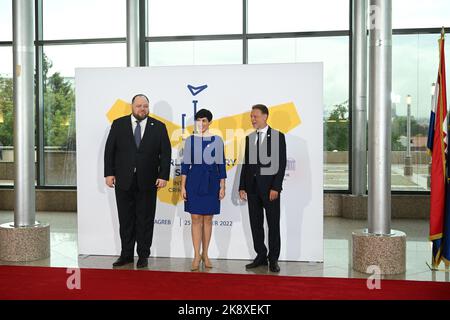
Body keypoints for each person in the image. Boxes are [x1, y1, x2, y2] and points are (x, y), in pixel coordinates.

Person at [104, 94, 171, 269]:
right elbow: (109, 150)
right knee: (125, 220)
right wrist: (109, 173)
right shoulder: (119, 124)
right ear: (132, 107)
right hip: (123, 180)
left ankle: (143, 255)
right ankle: (126, 254)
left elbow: (165, 154)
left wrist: (163, 175)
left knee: (145, 219)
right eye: (139, 106)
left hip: (148, 181)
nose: (143, 109)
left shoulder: (159, 127)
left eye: (146, 106)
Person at [239, 104, 287, 273]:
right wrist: (242, 186)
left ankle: (273, 259)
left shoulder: (277, 136)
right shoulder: (249, 138)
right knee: (256, 224)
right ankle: (260, 255)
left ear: (265, 116)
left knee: (273, 225)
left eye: (255, 116)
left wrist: (276, 187)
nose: (252, 119)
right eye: (251, 116)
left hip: (270, 190)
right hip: (252, 190)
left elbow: (281, 165)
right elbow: (246, 164)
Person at [181, 109, 227, 271]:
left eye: (204, 120)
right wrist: (183, 186)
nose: (201, 124)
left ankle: (205, 254)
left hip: (212, 181)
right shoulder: (190, 140)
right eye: (198, 120)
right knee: (195, 218)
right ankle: (196, 255)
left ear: (210, 122)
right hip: (194, 181)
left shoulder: (217, 140)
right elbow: (185, 165)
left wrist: (222, 186)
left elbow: (221, 164)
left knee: (208, 219)